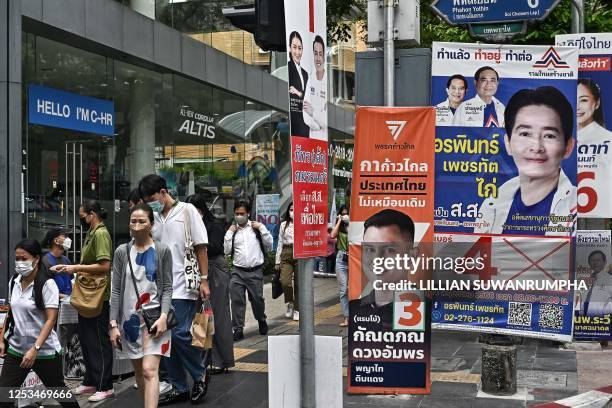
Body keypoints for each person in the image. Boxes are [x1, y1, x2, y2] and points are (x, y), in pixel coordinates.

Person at [138, 174, 211, 405]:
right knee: (163, 338)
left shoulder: (187, 211)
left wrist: (204, 279)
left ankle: (200, 374)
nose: (151, 203)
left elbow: (201, 247)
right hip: (160, 288)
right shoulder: (154, 218)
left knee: (179, 333)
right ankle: (179, 386)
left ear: (163, 191)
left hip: (184, 285)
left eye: (152, 198)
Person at [475, 86, 576, 236]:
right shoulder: (491, 205)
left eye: (549, 135)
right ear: (508, 143)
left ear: (568, 147)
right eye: (525, 133)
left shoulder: (578, 207)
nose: (536, 147)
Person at [0, 239, 79, 408]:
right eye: (17, 258)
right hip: (17, 349)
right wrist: (2, 339)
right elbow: (11, 312)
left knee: (60, 392)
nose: (20, 263)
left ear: (36, 259)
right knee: (4, 397)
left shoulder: (47, 284)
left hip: (44, 351)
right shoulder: (14, 281)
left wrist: (35, 349)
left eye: (24, 258)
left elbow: (51, 319)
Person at [109, 203, 173, 408]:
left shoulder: (162, 250)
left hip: (155, 320)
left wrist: (164, 316)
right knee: (139, 371)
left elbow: (168, 288)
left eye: (142, 221)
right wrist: (113, 324)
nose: (136, 225)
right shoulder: (122, 251)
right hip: (129, 322)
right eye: (133, 221)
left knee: (149, 370)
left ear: (151, 224)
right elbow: (116, 290)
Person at [53, 200, 114, 402]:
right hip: (87, 293)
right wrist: (72, 268)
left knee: (98, 339)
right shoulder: (92, 232)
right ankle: (91, 380)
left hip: (97, 295)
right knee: (87, 340)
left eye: (82, 215)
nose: (81, 218)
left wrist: (76, 268)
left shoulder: (101, 234)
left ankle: (105, 385)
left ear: (92, 214)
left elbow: (105, 266)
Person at [186, 194, 235, 374]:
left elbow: (215, 247)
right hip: (199, 271)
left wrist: (197, 244)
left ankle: (222, 360)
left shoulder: (214, 225)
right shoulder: (189, 225)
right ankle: (203, 359)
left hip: (215, 269)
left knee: (219, 314)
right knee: (200, 316)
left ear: (200, 210)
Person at [349, 209, 417, 329]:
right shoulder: (355, 309)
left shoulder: (423, 309)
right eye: (370, 249)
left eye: (390, 250)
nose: (377, 259)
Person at [224, 200, 273, 341]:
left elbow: (269, 244)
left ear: (248, 213)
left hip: (255, 271)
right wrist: (228, 233)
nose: (239, 216)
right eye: (237, 213)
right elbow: (226, 251)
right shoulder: (232, 231)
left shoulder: (256, 229)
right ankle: (238, 329)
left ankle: (261, 319)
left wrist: (262, 227)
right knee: (237, 300)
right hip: (237, 271)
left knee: (257, 300)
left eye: (242, 213)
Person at [576, 78, 612, 216]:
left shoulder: (608, 140)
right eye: (574, 99)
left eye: (584, 100)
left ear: (596, 103)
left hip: (598, 218)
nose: (577, 106)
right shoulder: (558, 139)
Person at [275, 203, 299, 321]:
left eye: (295, 209)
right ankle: (290, 302)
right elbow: (279, 242)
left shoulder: (302, 224)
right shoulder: (284, 225)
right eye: (291, 209)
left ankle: (297, 309)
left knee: (299, 284)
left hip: (299, 253)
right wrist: (277, 260)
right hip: (286, 252)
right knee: (285, 281)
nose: (293, 212)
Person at [303, 35, 327, 140]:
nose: (318, 58)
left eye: (320, 54)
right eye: (315, 54)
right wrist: (319, 124)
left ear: (324, 57)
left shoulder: (328, 82)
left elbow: (326, 121)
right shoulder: (310, 79)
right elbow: (305, 116)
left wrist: (313, 112)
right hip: (311, 140)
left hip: (326, 141)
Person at [288, 30, 310, 137]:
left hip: (305, 125)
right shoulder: (288, 68)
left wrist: (298, 92)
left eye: (300, 48)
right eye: (294, 47)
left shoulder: (305, 74)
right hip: (294, 126)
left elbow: (307, 97)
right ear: (289, 48)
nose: (297, 52)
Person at [331, 205, 350, 327]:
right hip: (341, 259)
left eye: (346, 213)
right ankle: (346, 317)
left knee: (354, 288)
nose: (344, 216)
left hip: (354, 258)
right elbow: (332, 235)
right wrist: (339, 221)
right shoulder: (340, 226)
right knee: (343, 290)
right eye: (342, 214)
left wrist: (349, 223)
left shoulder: (354, 226)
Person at [42, 228, 72, 298]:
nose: (68, 239)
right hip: (54, 302)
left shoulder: (66, 260)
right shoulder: (45, 261)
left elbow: (71, 281)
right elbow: (43, 288)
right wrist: (64, 297)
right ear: (56, 241)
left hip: (67, 302)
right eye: (64, 236)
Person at [580, 250, 612, 317]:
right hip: (582, 319)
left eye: (598, 260)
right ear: (589, 263)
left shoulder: (610, 279)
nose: (595, 263)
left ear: (604, 262)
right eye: (592, 260)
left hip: (601, 320)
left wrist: (602, 312)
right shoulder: (585, 281)